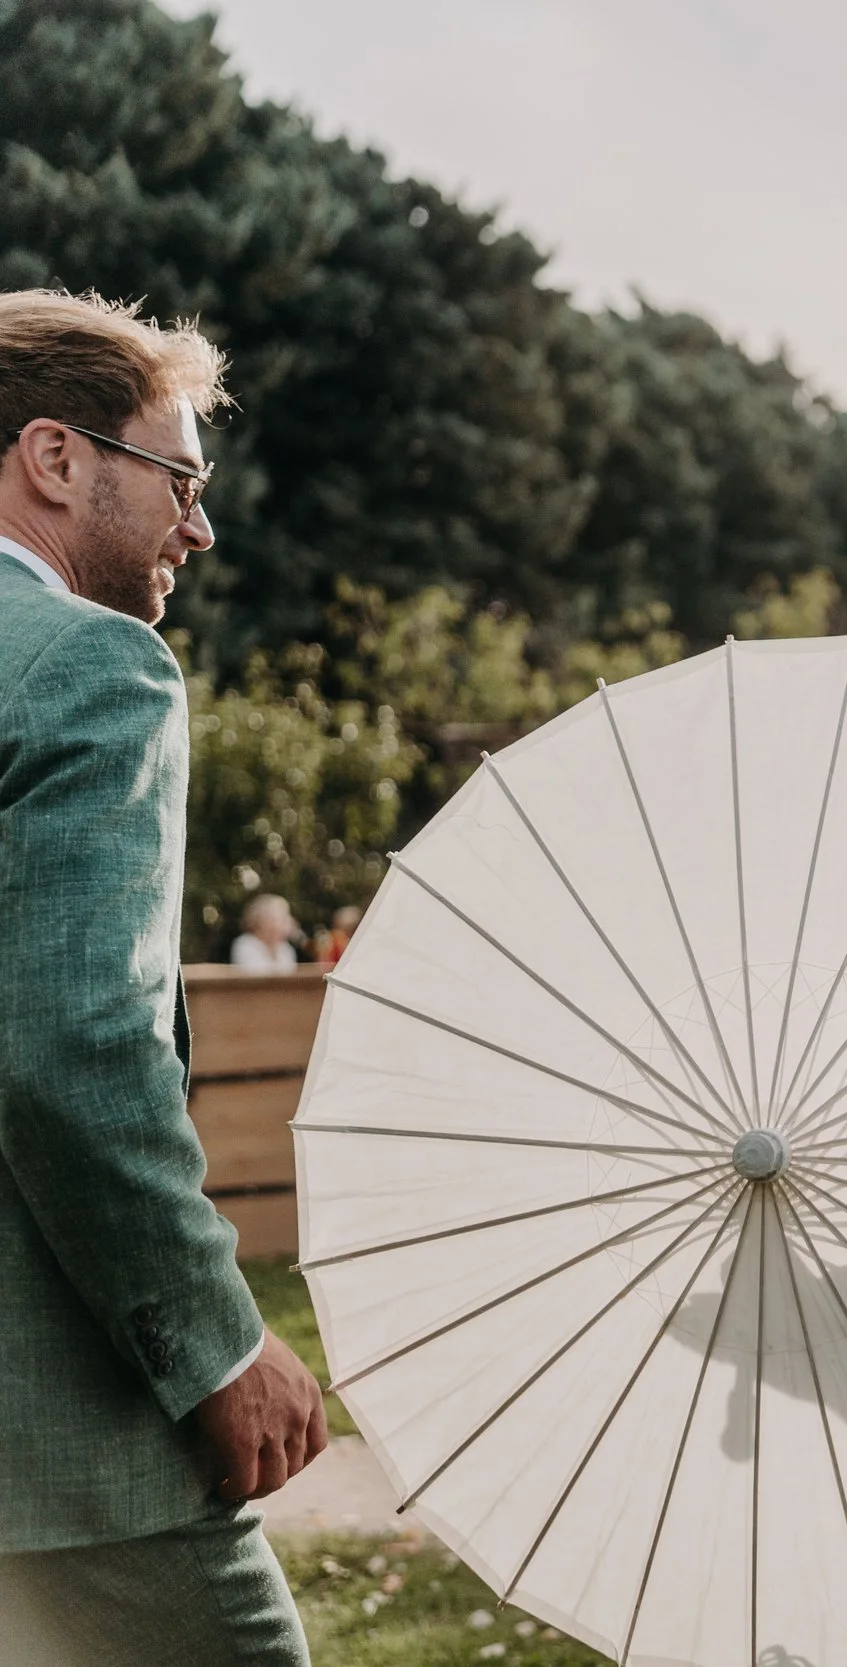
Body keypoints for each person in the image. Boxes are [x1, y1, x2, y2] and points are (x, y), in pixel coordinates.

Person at [0, 290, 327, 1667]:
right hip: (55, 1448)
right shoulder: (89, 665)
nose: (198, 527)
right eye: (179, 478)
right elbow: (74, 1048)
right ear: (57, 458)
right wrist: (213, 1342)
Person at [227, 894, 301, 972]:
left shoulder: (286, 949)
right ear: (264, 921)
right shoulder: (245, 944)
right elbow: (256, 979)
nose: (290, 922)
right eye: (282, 918)